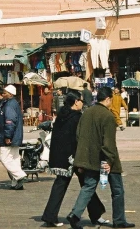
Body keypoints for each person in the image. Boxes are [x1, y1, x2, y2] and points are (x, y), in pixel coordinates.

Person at [67, 87, 134, 229]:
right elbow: (109, 142)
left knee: (88, 187)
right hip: (106, 159)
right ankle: (119, 220)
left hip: (89, 158)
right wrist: (109, 160)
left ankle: (75, 214)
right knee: (117, 190)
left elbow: (78, 136)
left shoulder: (86, 113)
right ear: (108, 99)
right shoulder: (108, 116)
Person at [41, 91, 108, 227]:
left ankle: (50, 216)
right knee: (87, 185)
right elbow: (79, 139)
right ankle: (94, 216)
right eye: (82, 101)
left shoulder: (61, 115)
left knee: (66, 185)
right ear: (76, 102)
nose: (82, 104)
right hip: (75, 157)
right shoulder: (77, 117)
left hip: (60, 157)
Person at [0, 84, 26, 189]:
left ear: (10, 94)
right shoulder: (12, 103)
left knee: (5, 158)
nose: (3, 94)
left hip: (9, 136)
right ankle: (16, 182)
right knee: (14, 158)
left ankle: (20, 176)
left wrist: (8, 136)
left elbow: (10, 122)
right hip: (15, 135)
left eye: (5, 93)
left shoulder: (9, 105)